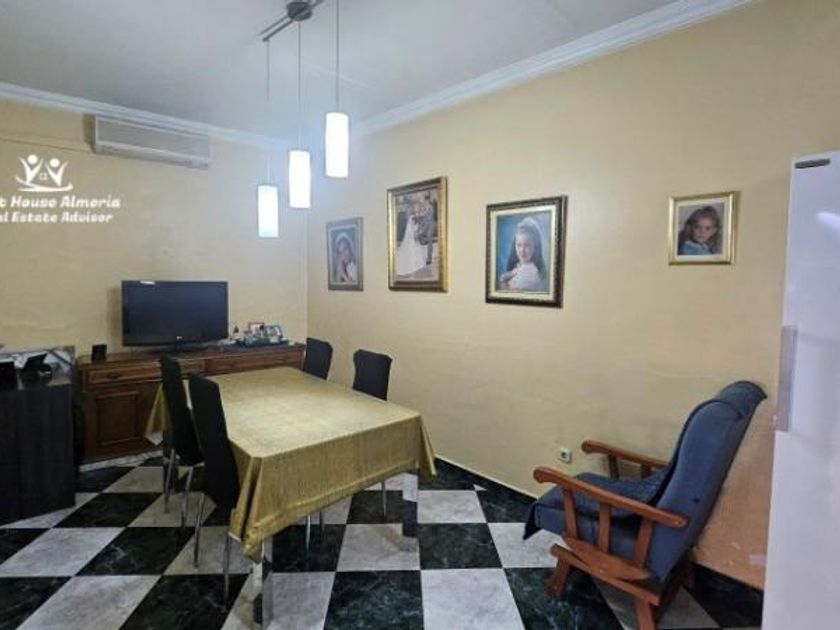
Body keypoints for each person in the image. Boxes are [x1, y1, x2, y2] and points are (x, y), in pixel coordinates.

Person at [499, 217, 548, 291]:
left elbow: (508, 294)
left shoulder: (531, 274)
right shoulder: (518, 267)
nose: (522, 250)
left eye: (527, 245)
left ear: (534, 247)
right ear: (514, 246)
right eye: (519, 245)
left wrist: (503, 279)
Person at [395, 200, 429, 276]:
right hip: (411, 236)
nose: (418, 211)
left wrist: (418, 230)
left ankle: (417, 266)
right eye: (417, 209)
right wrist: (416, 231)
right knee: (411, 249)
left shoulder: (414, 217)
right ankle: (412, 267)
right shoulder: (413, 218)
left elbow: (416, 226)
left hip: (413, 236)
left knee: (417, 249)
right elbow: (412, 228)